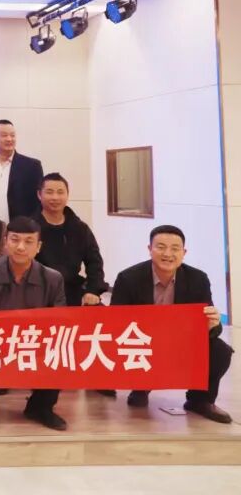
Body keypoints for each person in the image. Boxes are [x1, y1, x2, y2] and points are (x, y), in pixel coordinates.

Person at [111, 225, 233, 423]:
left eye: (175, 248)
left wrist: (212, 325)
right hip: (143, 342)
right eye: (160, 247)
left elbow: (212, 327)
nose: (168, 254)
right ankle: (141, 387)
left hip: (181, 341)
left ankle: (200, 400)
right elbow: (114, 323)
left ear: (184, 253)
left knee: (220, 351)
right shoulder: (128, 278)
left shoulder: (198, 279)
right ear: (149, 249)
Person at [0, 217, 67, 430]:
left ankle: (40, 407)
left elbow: (61, 324)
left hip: (33, 347)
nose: (20, 247)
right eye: (15, 240)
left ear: (38, 247)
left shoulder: (53, 279)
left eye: (28, 242)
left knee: (61, 355)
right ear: (5, 242)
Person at [32, 173, 107, 306]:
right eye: (49, 192)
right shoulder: (30, 227)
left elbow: (94, 262)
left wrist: (93, 290)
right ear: (39, 195)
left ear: (67, 195)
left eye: (60, 192)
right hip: (38, 290)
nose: (55, 197)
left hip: (72, 287)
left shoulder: (79, 228)